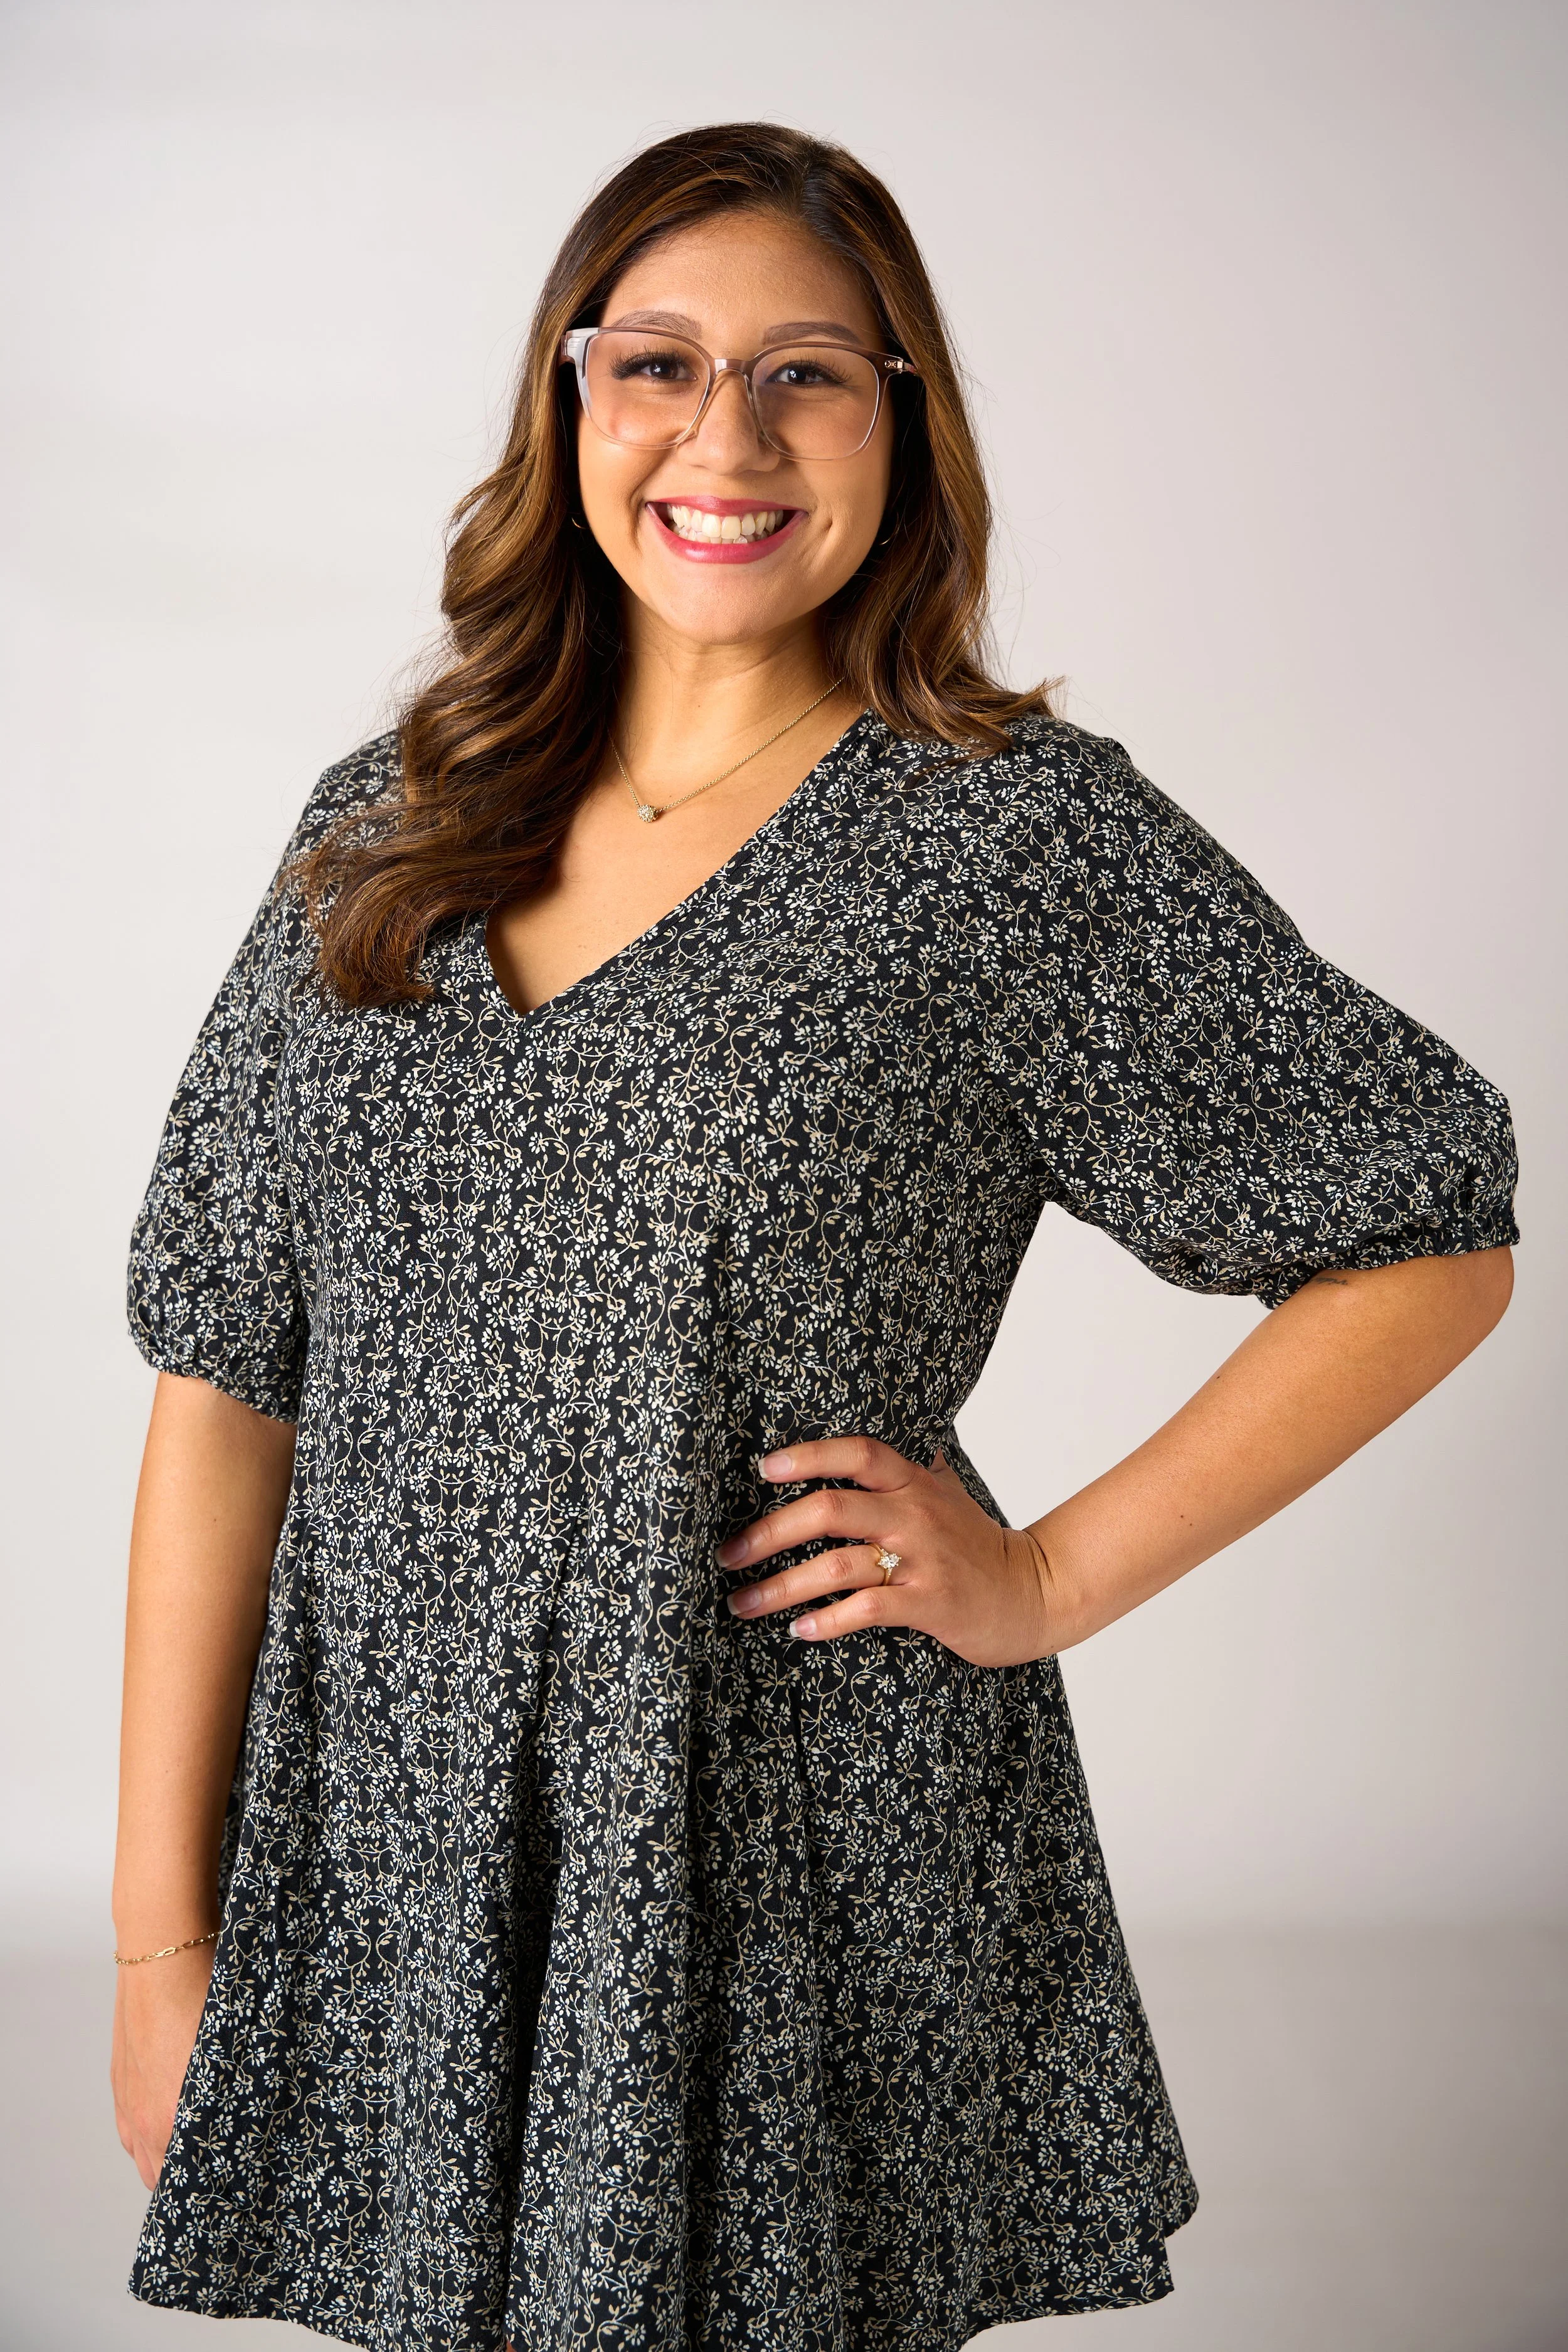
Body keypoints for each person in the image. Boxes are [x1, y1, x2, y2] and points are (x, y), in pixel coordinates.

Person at [110, 122, 1518, 2352]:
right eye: (653, 362)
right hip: (392, 1860)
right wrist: (162, 1940)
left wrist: (1049, 1570)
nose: (725, 438)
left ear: (902, 420)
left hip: (775, 1850)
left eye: (808, 375)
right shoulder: (380, 832)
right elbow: (222, 1380)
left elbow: (1423, 1223)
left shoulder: (1004, 838)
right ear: (566, 403)